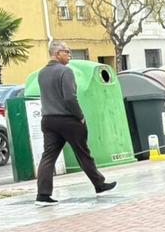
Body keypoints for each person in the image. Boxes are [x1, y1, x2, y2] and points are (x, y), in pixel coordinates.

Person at [35, 40, 115, 204]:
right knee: (83, 153)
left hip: (48, 120)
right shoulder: (66, 71)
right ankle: (99, 185)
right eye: (66, 52)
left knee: (48, 157)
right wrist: (80, 116)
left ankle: (42, 195)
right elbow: (70, 97)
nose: (69, 55)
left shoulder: (42, 73)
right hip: (68, 120)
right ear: (57, 54)